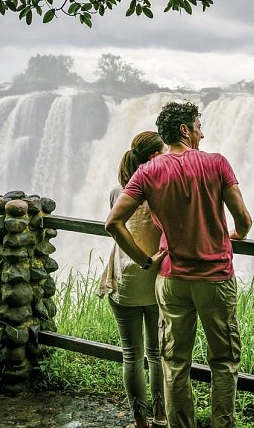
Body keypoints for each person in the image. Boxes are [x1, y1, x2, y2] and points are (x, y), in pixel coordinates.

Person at [105, 101, 253, 428]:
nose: (203, 132)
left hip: (171, 280)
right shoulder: (217, 164)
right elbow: (243, 219)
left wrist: (146, 260)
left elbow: (114, 223)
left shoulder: (147, 171)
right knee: (224, 362)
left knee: (175, 363)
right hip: (215, 278)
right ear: (185, 130)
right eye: (199, 126)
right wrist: (235, 233)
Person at [99, 131, 168, 428]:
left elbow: (116, 227)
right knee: (156, 354)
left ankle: (140, 422)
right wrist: (149, 260)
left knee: (132, 355)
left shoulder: (119, 191)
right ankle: (161, 417)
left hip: (126, 279)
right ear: (154, 156)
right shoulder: (163, 191)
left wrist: (139, 260)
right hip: (156, 280)